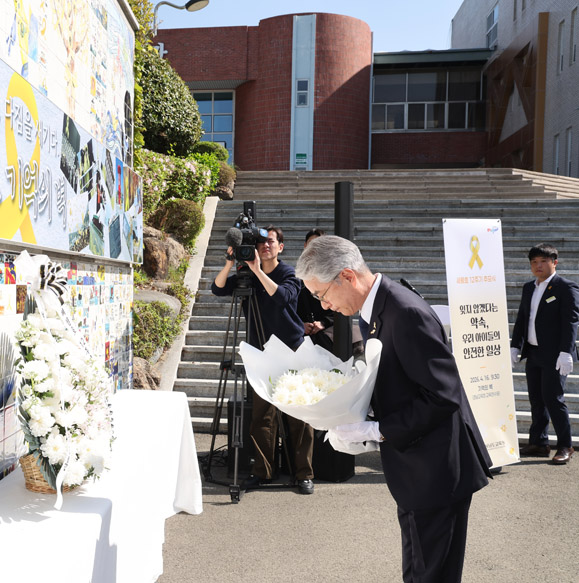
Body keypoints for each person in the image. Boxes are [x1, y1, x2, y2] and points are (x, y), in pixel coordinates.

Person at [296, 235, 492, 583]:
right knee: (418, 569)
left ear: (346, 276)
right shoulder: (373, 311)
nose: (324, 306)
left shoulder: (406, 313)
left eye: (322, 295)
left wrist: (377, 431)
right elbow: (399, 381)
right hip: (416, 469)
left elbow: (443, 395)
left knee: (431, 574)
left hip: (437, 471)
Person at [211, 226, 315, 494]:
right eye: (261, 243)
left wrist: (257, 271)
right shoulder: (246, 274)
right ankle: (263, 472)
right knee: (262, 418)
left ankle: (304, 474)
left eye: (270, 242)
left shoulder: (289, 273)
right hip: (262, 352)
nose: (265, 246)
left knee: (299, 415)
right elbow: (218, 289)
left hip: (292, 350)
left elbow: (282, 297)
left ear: (281, 247)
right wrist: (230, 263)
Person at [510, 243, 579, 464]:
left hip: (555, 355)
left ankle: (565, 445)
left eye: (543, 262)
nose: (538, 266)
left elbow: (571, 322)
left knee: (553, 399)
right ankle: (539, 443)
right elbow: (523, 319)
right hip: (534, 352)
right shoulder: (529, 287)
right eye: (534, 262)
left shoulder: (565, 287)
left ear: (554, 262)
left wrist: (566, 352)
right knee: (536, 400)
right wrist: (515, 346)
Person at [297, 229, 336, 352]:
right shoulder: (298, 275)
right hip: (304, 331)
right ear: (305, 246)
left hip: (329, 332)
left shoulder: (333, 273)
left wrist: (323, 323)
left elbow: (341, 308)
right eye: (311, 243)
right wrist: (301, 325)